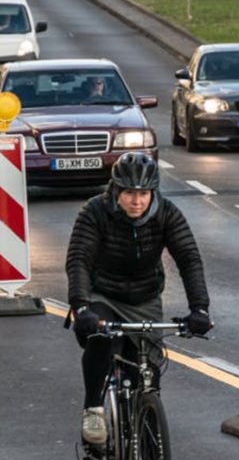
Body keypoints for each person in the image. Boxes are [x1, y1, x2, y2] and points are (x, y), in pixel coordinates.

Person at [65, 152, 212, 445]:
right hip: (102, 292)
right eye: (130, 193)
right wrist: (81, 307)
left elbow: (189, 259)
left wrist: (200, 309)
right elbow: (79, 259)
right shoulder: (95, 211)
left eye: (143, 193)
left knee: (146, 379)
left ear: (153, 192)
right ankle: (94, 408)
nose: (137, 201)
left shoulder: (167, 213)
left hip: (144, 299)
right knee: (102, 339)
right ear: (116, 190)